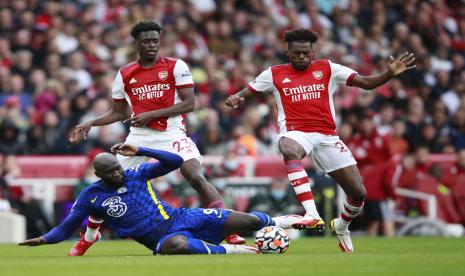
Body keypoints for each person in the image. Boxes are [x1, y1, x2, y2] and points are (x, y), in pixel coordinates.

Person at [225, 28, 415, 253]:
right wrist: (236, 98)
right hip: (296, 133)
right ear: (288, 52)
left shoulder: (328, 68)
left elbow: (366, 83)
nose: (302, 57)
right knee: (288, 147)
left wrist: (389, 74)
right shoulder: (273, 74)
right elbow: (247, 91)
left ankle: (342, 227)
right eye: (297, 53)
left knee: (358, 193)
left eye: (306, 53)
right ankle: (311, 214)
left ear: (313, 52)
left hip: (326, 136)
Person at [68, 21, 244, 255]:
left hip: (172, 132)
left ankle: (227, 228)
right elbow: (119, 111)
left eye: (155, 41)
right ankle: (89, 237)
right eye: (146, 41)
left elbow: (189, 103)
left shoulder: (175, 66)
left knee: (195, 175)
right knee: (105, 187)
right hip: (140, 135)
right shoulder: (125, 73)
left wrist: (149, 114)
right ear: (136, 44)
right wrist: (91, 121)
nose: (152, 45)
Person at [19, 144, 303, 255]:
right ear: (99, 174)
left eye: (118, 167)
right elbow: (65, 228)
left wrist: (140, 149)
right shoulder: (90, 195)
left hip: (181, 217)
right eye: (111, 172)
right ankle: (240, 252)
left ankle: (288, 221)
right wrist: (44, 239)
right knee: (177, 246)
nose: (118, 173)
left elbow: (175, 160)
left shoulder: (135, 174)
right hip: (156, 239)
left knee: (248, 220)